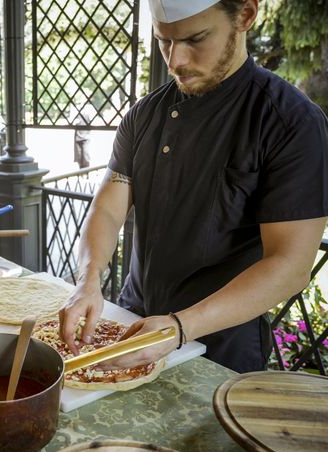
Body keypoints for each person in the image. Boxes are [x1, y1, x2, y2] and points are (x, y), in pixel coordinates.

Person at [59, 0, 328, 373]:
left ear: (246, 15)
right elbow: (108, 205)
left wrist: (180, 327)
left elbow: (291, 265)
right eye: (164, 42)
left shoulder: (290, 121)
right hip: (131, 324)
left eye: (195, 38)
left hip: (219, 349)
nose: (175, 61)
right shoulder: (144, 115)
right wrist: (88, 281)